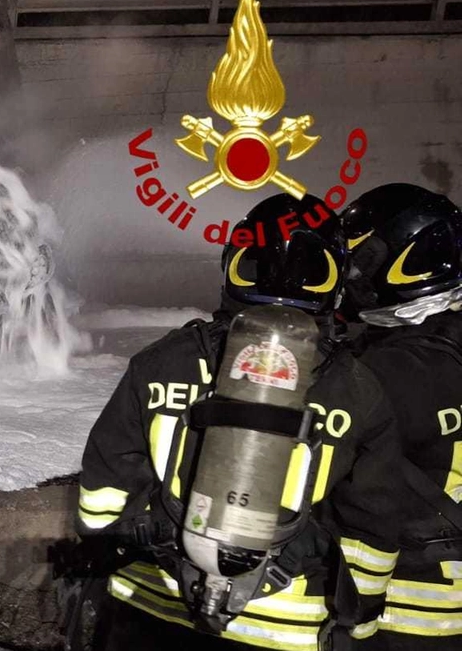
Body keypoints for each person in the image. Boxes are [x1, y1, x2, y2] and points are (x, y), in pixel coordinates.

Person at [74, 193, 402, 651]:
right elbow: (374, 524)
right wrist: (360, 628)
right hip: (282, 625)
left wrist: (104, 564)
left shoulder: (163, 362)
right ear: (334, 281)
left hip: (149, 604)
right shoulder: (358, 389)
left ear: (234, 267)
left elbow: (102, 489)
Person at [341, 183, 462, 649]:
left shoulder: (382, 372)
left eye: (366, 260)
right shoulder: (441, 352)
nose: (352, 275)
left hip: (407, 613)